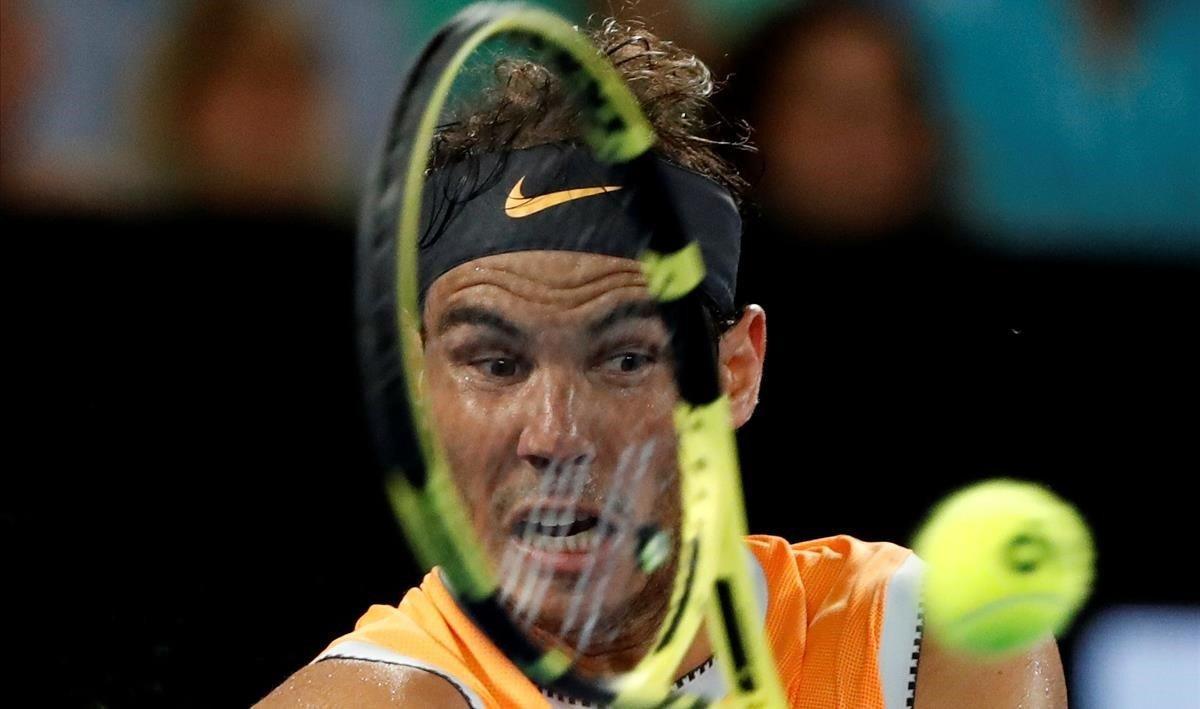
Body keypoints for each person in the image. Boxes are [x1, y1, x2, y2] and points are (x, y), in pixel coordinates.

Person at [259, 18, 1067, 708]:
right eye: (496, 363)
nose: (554, 433)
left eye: (622, 357)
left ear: (736, 371)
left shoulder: (941, 648)